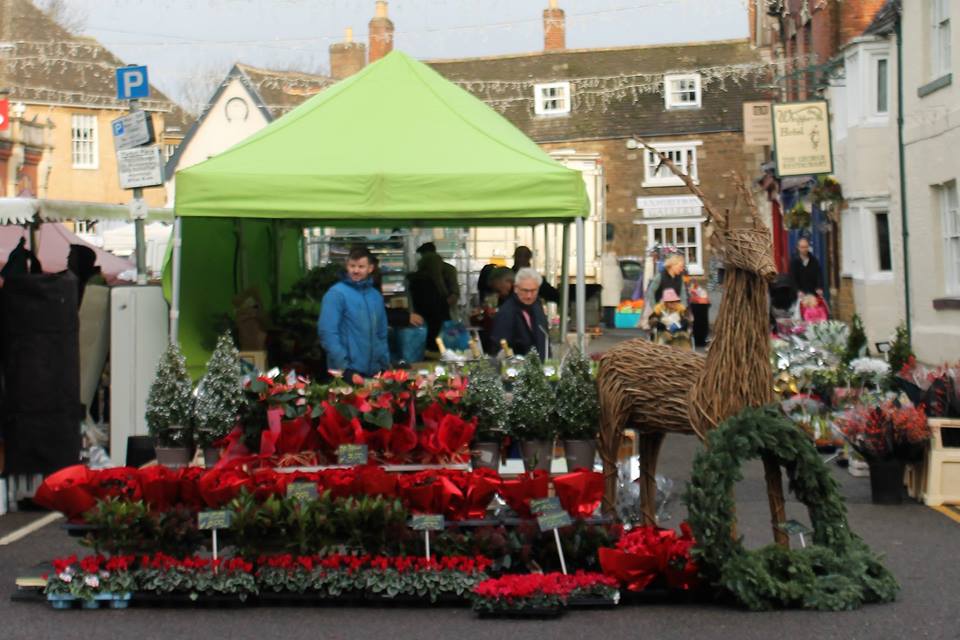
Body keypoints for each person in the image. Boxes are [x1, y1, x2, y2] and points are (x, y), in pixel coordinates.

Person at [317, 246, 390, 378]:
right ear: (347, 266)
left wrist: (384, 364)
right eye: (352, 266)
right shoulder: (336, 294)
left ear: (370, 268)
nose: (356, 270)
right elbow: (327, 333)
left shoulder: (375, 296)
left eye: (361, 267)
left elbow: (382, 333)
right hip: (345, 372)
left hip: (374, 372)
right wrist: (344, 368)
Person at [490, 267, 548, 357]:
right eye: (525, 290)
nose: (529, 296)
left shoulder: (537, 305)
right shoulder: (506, 312)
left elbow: (544, 339)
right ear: (516, 288)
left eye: (533, 291)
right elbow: (499, 348)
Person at [407, 251, 451, 346]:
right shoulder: (430, 283)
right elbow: (434, 308)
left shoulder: (417, 281)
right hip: (433, 327)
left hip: (425, 325)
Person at [642, 254, 687, 329]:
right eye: (680, 267)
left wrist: (683, 306)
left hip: (673, 307)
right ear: (673, 265)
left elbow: (683, 294)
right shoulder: (660, 276)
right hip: (659, 306)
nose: (682, 269)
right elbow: (651, 292)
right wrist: (654, 307)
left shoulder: (680, 278)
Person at [416, 242, 459, 309]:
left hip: (435, 308)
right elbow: (455, 292)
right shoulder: (450, 269)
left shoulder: (420, 274)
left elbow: (454, 293)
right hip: (440, 307)